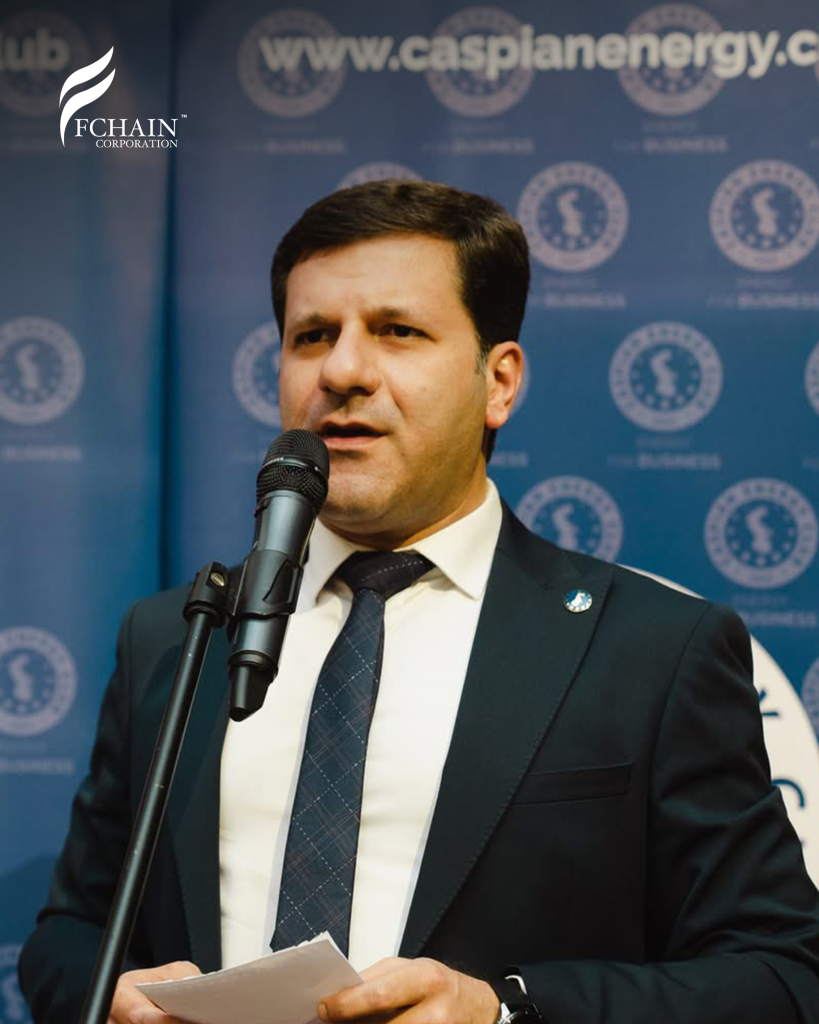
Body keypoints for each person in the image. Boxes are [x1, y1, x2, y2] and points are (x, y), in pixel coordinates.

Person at [19, 180, 819, 1024]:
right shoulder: (176, 637)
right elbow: (69, 935)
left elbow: (781, 974)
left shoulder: (651, 650)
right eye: (311, 336)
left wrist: (502, 1013)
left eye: (397, 331)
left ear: (498, 382)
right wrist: (113, 996)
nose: (341, 371)